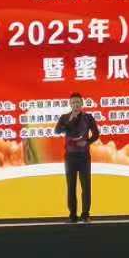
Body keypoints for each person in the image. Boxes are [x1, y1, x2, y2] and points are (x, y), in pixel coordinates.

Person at [55, 93, 100, 222]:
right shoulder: (64, 117)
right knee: (71, 186)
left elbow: (96, 134)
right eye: (73, 102)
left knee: (86, 186)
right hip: (70, 156)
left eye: (78, 102)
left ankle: (85, 214)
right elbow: (57, 131)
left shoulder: (88, 118)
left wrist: (87, 142)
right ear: (70, 104)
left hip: (84, 156)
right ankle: (72, 215)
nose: (76, 105)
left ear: (82, 104)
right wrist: (70, 120)